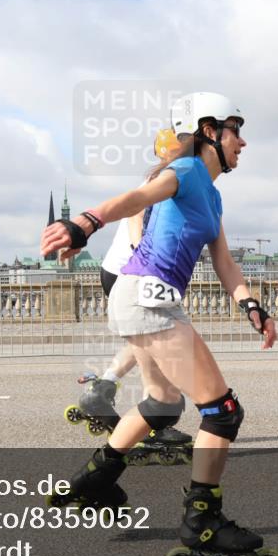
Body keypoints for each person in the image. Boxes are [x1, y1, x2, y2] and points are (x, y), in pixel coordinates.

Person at [40, 93, 278, 556]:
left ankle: (95, 480)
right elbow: (138, 198)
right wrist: (86, 221)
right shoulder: (188, 171)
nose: (244, 140)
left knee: (162, 403)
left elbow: (224, 262)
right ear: (209, 130)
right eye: (236, 129)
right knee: (222, 412)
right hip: (146, 297)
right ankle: (203, 525)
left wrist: (250, 305)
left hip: (148, 299)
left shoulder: (212, 195)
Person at [65, 128, 194, 465]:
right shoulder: (164, 183)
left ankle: (104, 388)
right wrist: (146, 262)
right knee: (159, 347)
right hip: (132, 274)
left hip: (121, 270)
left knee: (146, 343)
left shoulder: (167, 180)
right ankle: (154, 425)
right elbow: (137, 218)